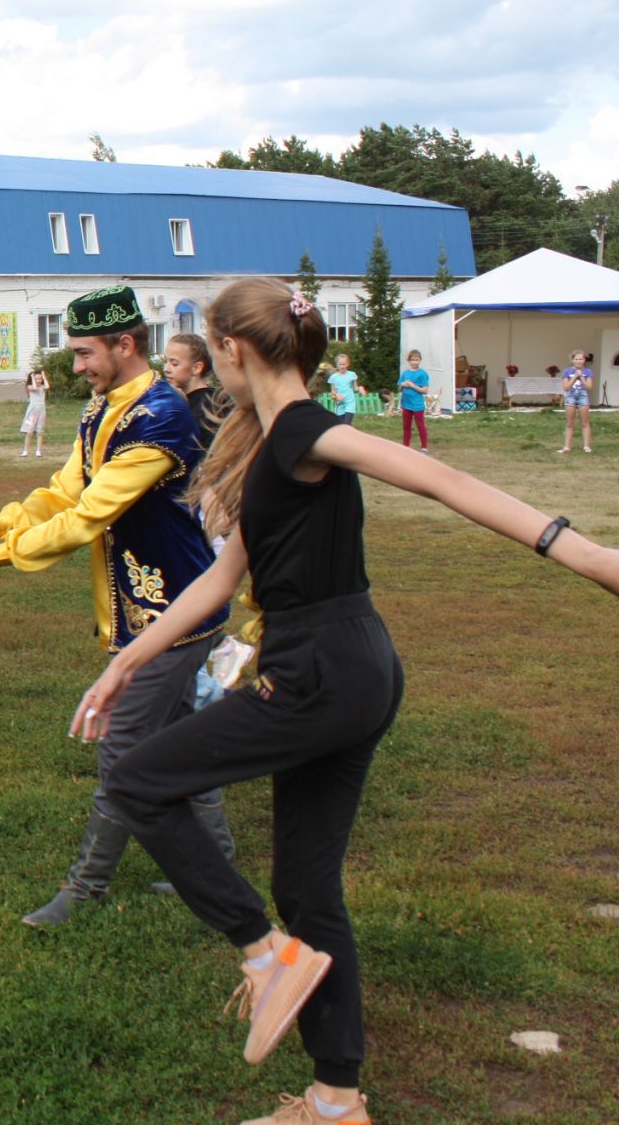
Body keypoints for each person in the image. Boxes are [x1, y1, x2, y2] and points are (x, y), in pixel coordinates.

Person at [76, 279, 619, 1125]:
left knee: (142, 781)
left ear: (236, 351)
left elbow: (434, 476)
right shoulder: (269, 442)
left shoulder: (306, 429)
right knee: (306, 886)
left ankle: (264, 960)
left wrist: (588, 557)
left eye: (212, 348)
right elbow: (222, 579)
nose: (212, 363)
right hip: (350, 665)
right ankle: (335, 1103)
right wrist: (128, 664)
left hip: (321, 670)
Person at [0, 285, 234, 929]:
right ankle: (212, 871)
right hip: (147, 609)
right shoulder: (105, 409)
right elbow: (66, 490)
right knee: (182, 743)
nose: (78, 367)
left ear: (126, 345)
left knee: (120, 747)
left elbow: (93, 514)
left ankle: (85, 889)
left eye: (86, 353)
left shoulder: (159, 416)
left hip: (173, 614)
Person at [165, 334, 221, 452]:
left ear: (197, 368)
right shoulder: (182, 402)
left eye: (174, 363)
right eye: (166, 362)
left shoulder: (207, 409)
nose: (167, 369)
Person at [559, 349, 594, 454]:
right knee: (570, 423)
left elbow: (589, 387)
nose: (579, 361)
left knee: (585, 422)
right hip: (571, 397)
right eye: (576, 359)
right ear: (572, 360)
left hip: (583, 396)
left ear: (584, 360)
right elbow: (565, 387)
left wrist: (582, 377)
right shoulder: (567, 371)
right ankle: (567, 447)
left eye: (581, 359)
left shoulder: (588, 371)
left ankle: (586, 446)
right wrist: (574, 377)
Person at [397, 349, 431, 454]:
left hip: (417, 404)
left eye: (416, 360)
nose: (414, 362)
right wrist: (402, 385)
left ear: (420, 360)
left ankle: (424, 447)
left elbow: (425, 390)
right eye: (412, 360)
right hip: (406, 404)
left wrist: (413, 385)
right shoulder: (405, 373)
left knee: (420, 425)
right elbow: (399, 389)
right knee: (406, 426)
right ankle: (405, 447)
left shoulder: (422, 374)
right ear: (409, 361)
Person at [20, 368, 50, 457]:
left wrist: (44, 377)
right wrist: (33, 378)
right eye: (36, 379)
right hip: (32, 411)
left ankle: (38, 451)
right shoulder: (29, 387)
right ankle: (25, 451)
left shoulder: (43, 387)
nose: (38, 380)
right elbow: (34, 387)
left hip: (41, 410)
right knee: (29, 432)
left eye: (39, 379)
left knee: (40, 432)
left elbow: (47, 386)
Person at [326, 354, 364, 421]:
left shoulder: (352, 375)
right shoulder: (333, 377)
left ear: (348, 364)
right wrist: (336, 396)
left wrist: (360, 388)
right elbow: (332, 393)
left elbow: (355, 388)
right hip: (339, 404)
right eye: (340, 364)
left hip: (350, 403)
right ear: (337, 365)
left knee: (347, 424)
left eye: (344, 364)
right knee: (341, 425)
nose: (342, 366)